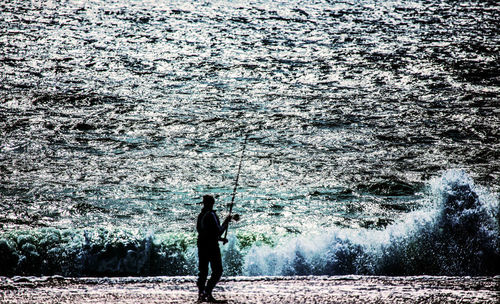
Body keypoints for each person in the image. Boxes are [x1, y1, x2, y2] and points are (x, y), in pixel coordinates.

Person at [196, 195, 237, 303]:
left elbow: (205, 232)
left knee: (203, 271)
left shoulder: (201, 215)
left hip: (201, 245)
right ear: (212, 203)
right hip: (211, 247)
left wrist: (220, 239)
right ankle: (207, 292)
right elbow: (218, 231)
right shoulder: (211, 214)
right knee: (217, 271)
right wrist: (227, 221)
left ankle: (201, 295)